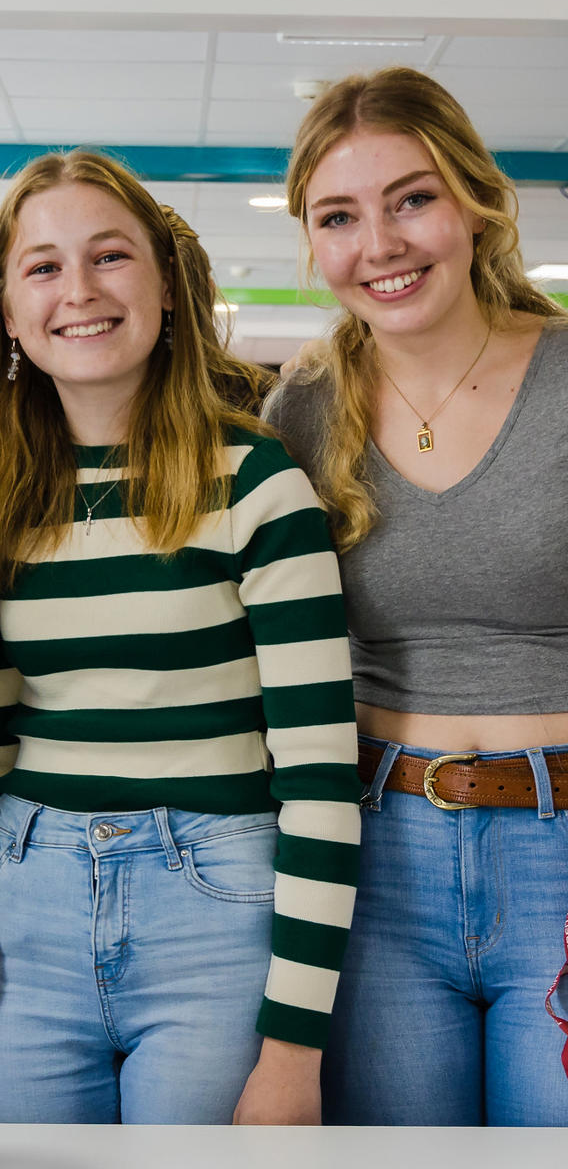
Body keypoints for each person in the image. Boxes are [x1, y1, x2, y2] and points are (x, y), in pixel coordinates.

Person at [0, 149, 361, 1125]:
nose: (78, 291)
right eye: (41, 268)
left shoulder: (257, 482)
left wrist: (293, 1048)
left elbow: (318, 778)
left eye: (109, 257)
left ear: (166, 284)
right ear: (9, 312)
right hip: (29, 902)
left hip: (213, 904)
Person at [263, 66, 568, 1126]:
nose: (379, 243)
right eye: (338, 216)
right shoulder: (300, 407)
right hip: (371, 853)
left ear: (475, 202)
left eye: (411, 198)